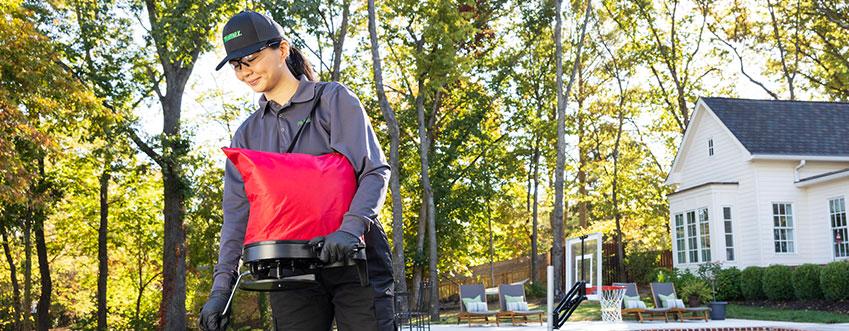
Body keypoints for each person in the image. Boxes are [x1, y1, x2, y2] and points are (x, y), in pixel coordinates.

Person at [198, 10, 395, 331]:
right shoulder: (247, 134)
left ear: (283, 50)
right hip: (288, 269)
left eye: (252, 58)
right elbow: (237, 215)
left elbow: (374, 170)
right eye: (236, 65)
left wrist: (350, 229)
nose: (245, 71)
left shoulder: (333, 100)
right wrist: (221, 289)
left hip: (353, 258)